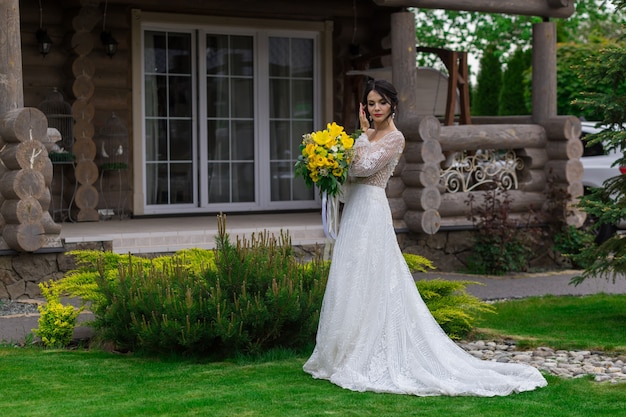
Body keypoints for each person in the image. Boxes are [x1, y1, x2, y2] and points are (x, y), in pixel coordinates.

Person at [303, 79, 547, 396]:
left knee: (373, 274)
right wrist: (328, 166)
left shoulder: (394, 138)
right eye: (371, 103)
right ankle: (342, 351)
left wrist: (358, 139)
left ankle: (368, 350)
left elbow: (362, 168)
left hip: (372, 210)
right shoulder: (368, 136)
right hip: (355, 211)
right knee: (351, 274)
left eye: (381, 103)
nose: (375, 109)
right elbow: (349, 174)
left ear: (393, 105)